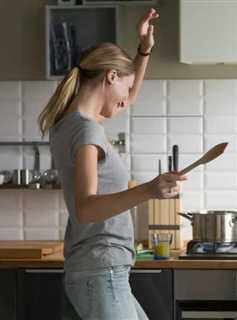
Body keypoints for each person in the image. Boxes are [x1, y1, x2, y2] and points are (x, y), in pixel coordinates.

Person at [37, 8, 185, 320]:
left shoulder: (67, 123)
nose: (128, 98)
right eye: (125, 86)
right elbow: (86, 208)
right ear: (111, 76)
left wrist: (144, 50)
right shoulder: (87, 131)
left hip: (104, 269)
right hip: (100, 269)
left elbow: (126, 97)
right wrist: (149, 189)